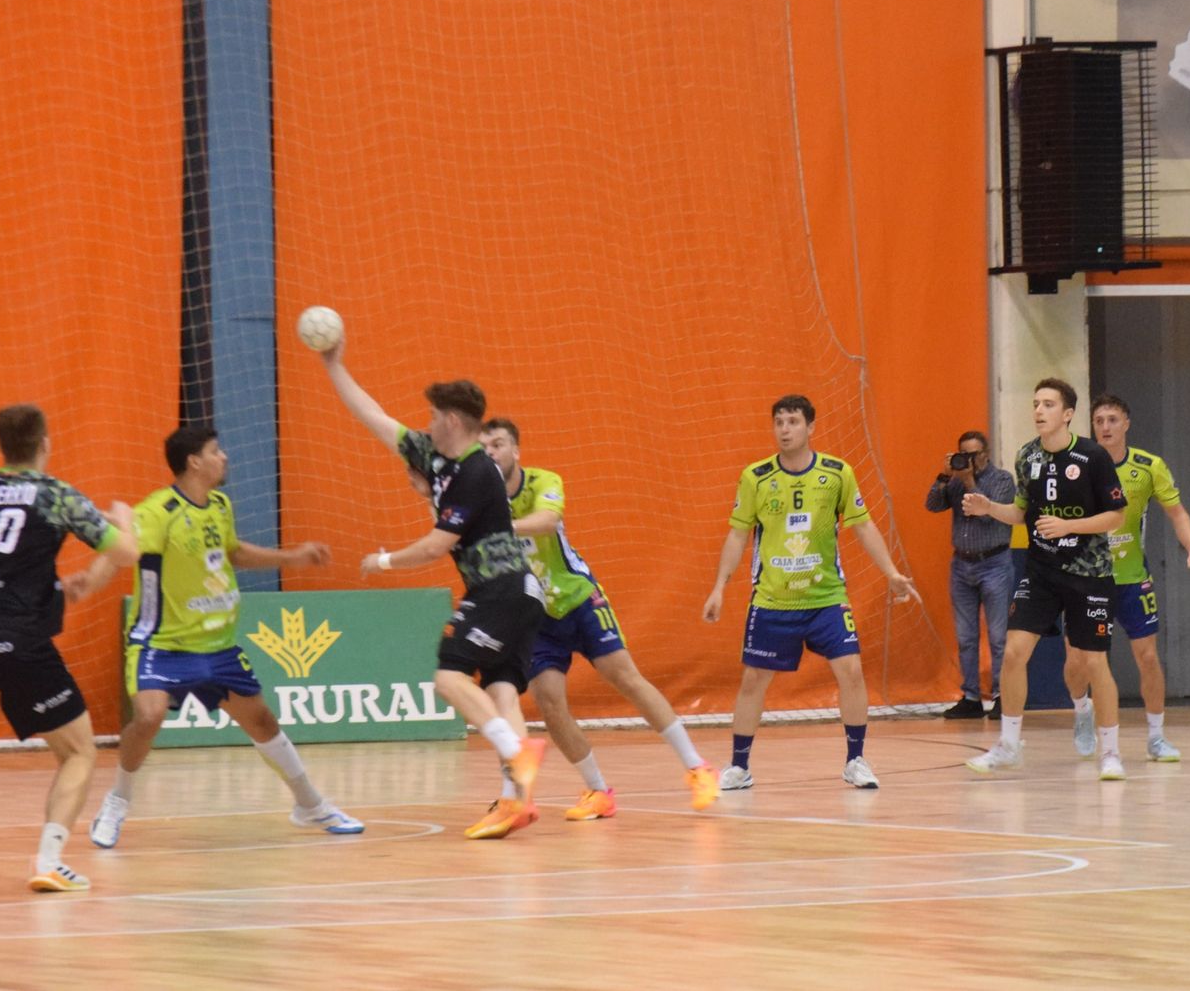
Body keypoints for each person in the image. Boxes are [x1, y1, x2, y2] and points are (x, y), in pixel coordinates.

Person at [75, 425, 363, 849]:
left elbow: (233, 552)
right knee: (150, 717)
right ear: (194, 462)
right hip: (162, 644)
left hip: (218, 645)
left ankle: (310, 804)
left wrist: (292, 557)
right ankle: (118, 800)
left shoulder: (220, 505)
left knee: (262, 721)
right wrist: (88, 581)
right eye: (216, 451)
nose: (224, 457)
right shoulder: (159, 511)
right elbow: (122, 550)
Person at [318, 339, 547, 840]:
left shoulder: (476, 471)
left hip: (500, 589)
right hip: (520, 592)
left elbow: (434, 546)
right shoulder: (432, 454)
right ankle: (517, 802)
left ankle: (514, 753)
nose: (426, 422)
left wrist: (383, 560)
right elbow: (372, 415)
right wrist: (334, 364)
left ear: (455, 422)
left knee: (448, 676)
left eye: (434, 415)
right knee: (502, 689)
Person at [0, 404, 138, 891]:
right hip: (19, 642)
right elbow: (124, 553)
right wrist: (125, 520)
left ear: (1, 444)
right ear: (45, 442)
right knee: (79, 753)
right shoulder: (56, 496)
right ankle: (48, 861)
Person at [480, 418, 719, 819]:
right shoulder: (483, 499)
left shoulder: (543, 482)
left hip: (578, 599)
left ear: (516, 451)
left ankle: (698, 767)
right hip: (536, 614)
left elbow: (547, 521)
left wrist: (498, 527)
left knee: (626, 677)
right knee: (549, 704)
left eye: (498, 444)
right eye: (484, 447)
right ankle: (598, 791)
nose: (491, 453)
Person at [702, 394, 919, 790]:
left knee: (851, 670)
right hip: (773, 599)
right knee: (753, 680)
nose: (784, 430)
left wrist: (890, 573)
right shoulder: (756, 476)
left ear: (811, 427)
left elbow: (864, 526)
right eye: (779, 422)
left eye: (793, 422)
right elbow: (738, 534)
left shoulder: (837, 474)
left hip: (826, 597)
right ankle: (739, 766)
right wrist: (719, 586)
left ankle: (856, 760)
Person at [961, 378, 1130, 781]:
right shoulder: (1027, 456)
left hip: (1089, 573)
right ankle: (1008, 745)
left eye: (1048, 404)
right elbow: (1022, 513)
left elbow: (1117, 516)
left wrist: (1070, 524)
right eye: (1036, 403)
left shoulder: (1092, 456)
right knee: (1015, 652)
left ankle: (1110, 752)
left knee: (1092, 662)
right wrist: (989, 507)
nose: (1039, 410)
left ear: (1067, 414)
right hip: (1040, 571)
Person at [1062, 395, 1190, 763]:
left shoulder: (1148, 466)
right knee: (1077, 662)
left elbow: (1176, 513)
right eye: (1099, 421)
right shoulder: (1075, 465)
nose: (1105, 427)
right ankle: (1082, 711)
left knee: (1147, 657)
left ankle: (1156, 737)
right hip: (1087, 578)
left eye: (1112, 419)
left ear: (1126, 423)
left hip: (1131, 577)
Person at [925, 430, 1016, 720]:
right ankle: (972, 697)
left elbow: (989, 513)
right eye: (965, 453)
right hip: (962, 566)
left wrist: (969, 482)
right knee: (966, 636)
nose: (971, 459)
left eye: (975, 454)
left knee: (999, 636)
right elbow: (932, 505)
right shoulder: (953, 480)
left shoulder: (1002, 480)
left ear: (986, 454)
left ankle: (1003, 696)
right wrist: (943, 476)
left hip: (994, 564)